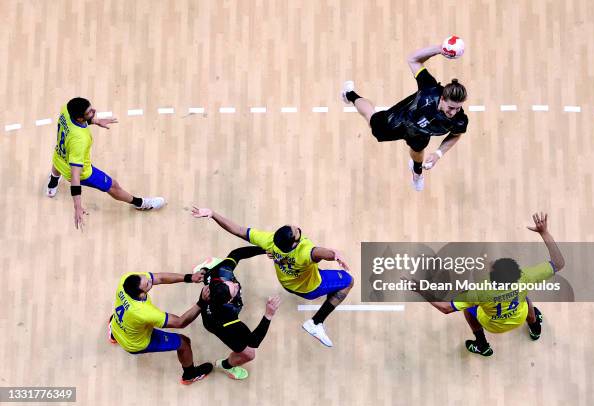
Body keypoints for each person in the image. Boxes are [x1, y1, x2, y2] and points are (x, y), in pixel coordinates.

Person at [191, 206, 353, 348]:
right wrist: (334, 254)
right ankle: (315, 323)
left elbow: (238, 230)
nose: (297, 228)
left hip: (287, 282)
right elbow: (319, 253)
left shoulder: (270, 241)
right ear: (294, 244)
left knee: (317, 271)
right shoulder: (305, 252)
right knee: (348, 281)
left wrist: (213, 214)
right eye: (297, 232)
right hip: (310, 287)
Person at [413, 212, 565, 356]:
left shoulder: (480, 291)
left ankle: (482, 345)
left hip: (494, 326)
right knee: (525, 300)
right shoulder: (524, 277)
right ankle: (535, 329)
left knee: (469, 308)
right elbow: (558, 263)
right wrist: (544, 233)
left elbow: (446, 309)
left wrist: (421, 291)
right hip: (519, 316)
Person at [341, 41, 469, 191]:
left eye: (458, 108)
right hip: (399, 120)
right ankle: (349, 94)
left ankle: (417, 171)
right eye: (451, 107)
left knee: (417, 152)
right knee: (371, 119)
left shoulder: (460, 120)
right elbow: (413, 59)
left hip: (420, 134)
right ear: (442, 98)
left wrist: (438, 154)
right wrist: (439, 49)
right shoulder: (429, 88)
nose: (453, 112)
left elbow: (456, 134)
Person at [46, 97, 165, 230]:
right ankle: (140, 203)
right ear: (80, 118)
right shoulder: (80, 140)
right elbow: (75, 176)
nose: (94, 111)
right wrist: (77, 206)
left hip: (59, 156)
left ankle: (52, 184)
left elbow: (73, 123)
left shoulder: (66, 110)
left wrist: (95, 121)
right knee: (113, 186)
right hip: (83, 173)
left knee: (57, 166)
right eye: (90, 113)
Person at [108, 271, 213, 384]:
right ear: (141, 295)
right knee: (184, 342)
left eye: (145, 278)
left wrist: (190, 277)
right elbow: (180, 322)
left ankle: (113, 336)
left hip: (116, 325)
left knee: (121, 318)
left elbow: (160, 278)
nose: (150, 281)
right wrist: (202, 302)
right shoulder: (144, 312)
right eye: (148, 284)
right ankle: (190, 374)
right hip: (134, 344)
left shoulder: (126, 280)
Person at [193, 246, 280, 380]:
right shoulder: (228, 318)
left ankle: (206, 270)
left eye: (230, 283)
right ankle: (225, 366)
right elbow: (253, 341)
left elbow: (236, 253)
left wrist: (263, 249)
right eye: (234, 289)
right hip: (215, 324)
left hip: (212, 283)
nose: (236, 285)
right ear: (229, 300)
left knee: (217, 269)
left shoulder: (222, 274)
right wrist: (268, 314)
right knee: (249, 354)